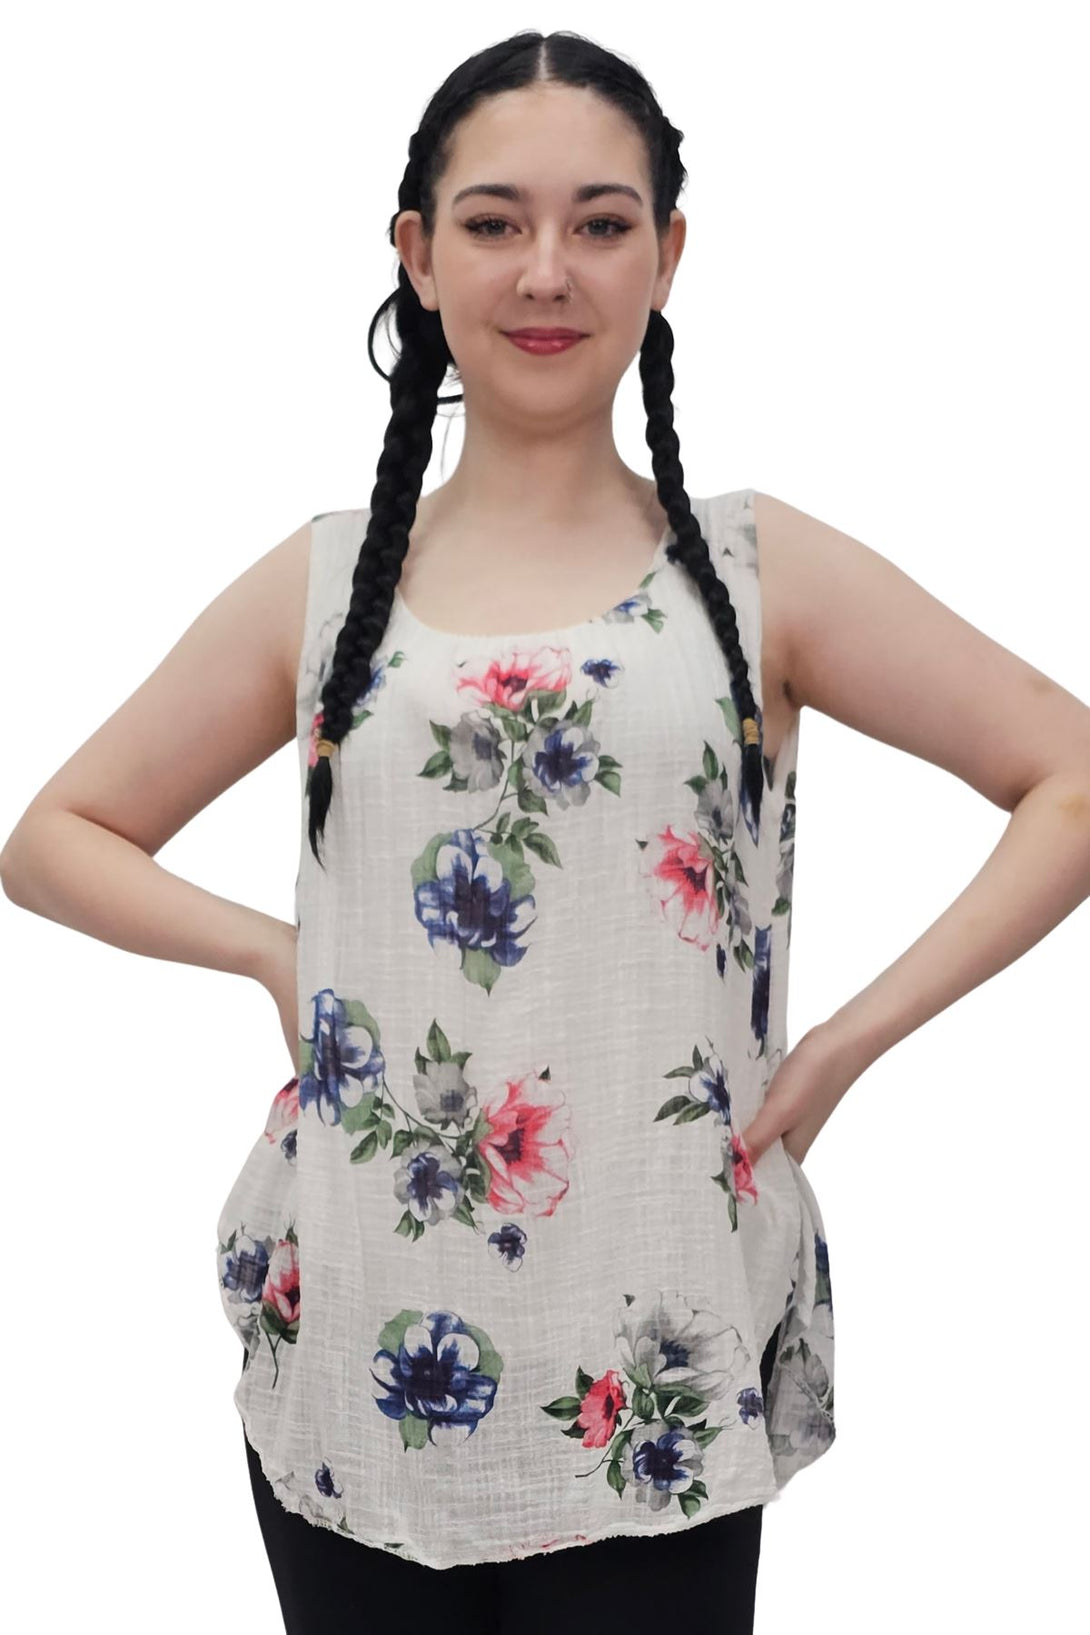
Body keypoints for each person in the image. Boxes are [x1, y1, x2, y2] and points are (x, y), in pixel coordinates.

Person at [3, 26, 1090, 1635]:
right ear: (417, 252)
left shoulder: (757, 571)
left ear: (667, 254)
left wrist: (838, 1050)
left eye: (599, 222)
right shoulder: (321, 584)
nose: (545, 270)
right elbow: (55, 836)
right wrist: (275, 953)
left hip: (652, 1360)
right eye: (495, 221)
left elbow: (1064, 777)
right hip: (363, 1342)